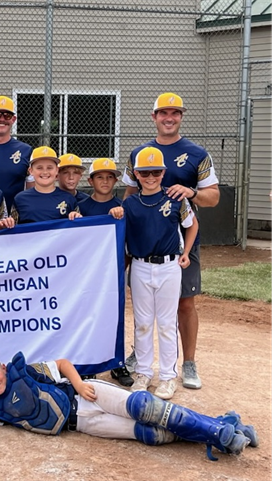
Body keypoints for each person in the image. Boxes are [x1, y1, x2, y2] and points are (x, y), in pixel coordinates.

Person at [0, 350, 258, 461]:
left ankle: (221, 433)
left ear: (2, 368)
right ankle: (226, 423)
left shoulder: (23, 371)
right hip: (84, 424)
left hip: (84, 395)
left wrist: (80, 383)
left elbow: (61, 362)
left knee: (147, 408)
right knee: (151, 434)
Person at [122, 93, 220, 391]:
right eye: (163, 113)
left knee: (184, 303)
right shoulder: (139, 153)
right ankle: (141, 360)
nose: (169, 118)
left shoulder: (196, 153)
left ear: (181, 116)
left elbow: (213, 197)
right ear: (154, 117)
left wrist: (189, 192)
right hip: (144, 247)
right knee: (143, 311)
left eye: (175, 113)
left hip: (178, 244)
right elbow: (128, 196)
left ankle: (186, 363)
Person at [121, 146, 199, 400]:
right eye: (145, 173)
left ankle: (167, 376)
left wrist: (186, 252)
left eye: (156, 172)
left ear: (164, 172)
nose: (151, 177)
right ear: (136, 174)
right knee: (143, 323)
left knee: (166, 323)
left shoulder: (175, 197)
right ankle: (143, 372)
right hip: (141, 265)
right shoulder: (131, 202)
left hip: (169, 265)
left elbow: (192, 224)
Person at [75, 158, 129, 383]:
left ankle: (117, 363)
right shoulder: (82, 206)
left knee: (114, 316)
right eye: (100, 177)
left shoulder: (121, 207)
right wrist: (73, 219)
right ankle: (90, 362)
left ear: (116, 180)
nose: (105, 181)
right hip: (87, 273)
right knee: (88, 315)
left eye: (109, 177)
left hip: (111, 271)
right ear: (90, 180)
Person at [0, 96, 34, 208]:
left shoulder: (25, 150)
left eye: (7, 115)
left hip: (15, 216)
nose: (2, 119)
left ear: (13, 119)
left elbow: (32, 191)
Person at [10, 146, 82, 225]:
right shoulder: (20, 199)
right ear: (31, 171)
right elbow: (12, 229)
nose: (45, 172)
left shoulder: (69, 199)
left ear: (57, 170)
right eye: (39, 168)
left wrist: (77, 218)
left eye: (49, 168)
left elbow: (77, 231)